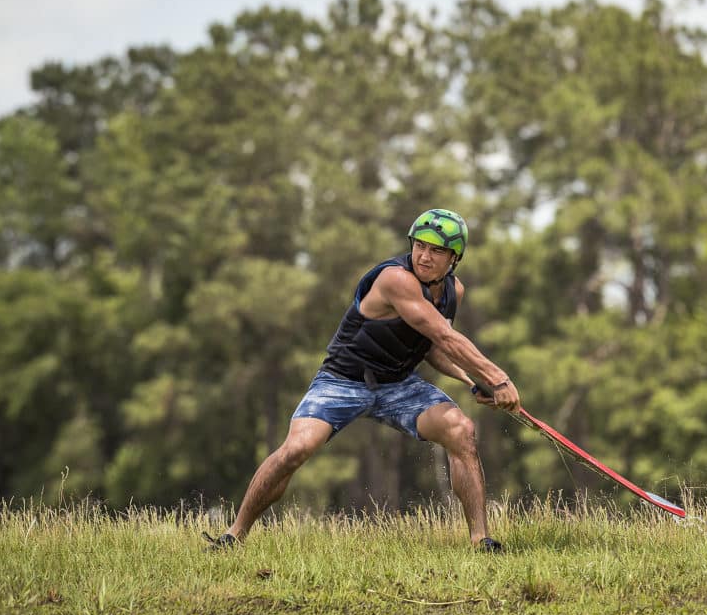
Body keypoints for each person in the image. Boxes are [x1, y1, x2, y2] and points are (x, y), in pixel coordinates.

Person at [203, 209, 520, 552]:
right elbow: (443, 335)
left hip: (398, 384)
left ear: (455, 258)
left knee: (461, 431)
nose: (424, 256)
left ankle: (480, 540)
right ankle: (233, 535)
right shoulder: (395, 279)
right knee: (296, 449)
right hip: (342, 381)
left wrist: (472, 381)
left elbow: (431, 346)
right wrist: (498, 378)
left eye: (437, 251)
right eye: (420, 246)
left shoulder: (452, 292)